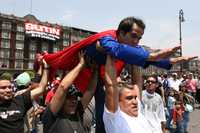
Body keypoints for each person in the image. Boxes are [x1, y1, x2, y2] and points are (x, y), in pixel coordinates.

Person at [42, 16, 197, 133]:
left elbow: (141, 56)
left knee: (105, 114)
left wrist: (172, 61)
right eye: (134, 36)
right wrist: (152, 57)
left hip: (98, 77)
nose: (137, 41)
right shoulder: (107, 38)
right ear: (121, 33)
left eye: (140, 38)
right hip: (84, 76)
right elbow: (118, 51)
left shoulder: (128, 46)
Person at [42, 52, 98, 133]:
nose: (73, 101)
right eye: (69, 98)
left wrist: (95, 69)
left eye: (75, 98)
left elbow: (90, 91)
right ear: (61, 101)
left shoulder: (78, 112)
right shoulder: (53, 115)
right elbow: (63, 87)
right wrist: (80, 65)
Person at [103, 55, 153, 133]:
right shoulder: (114, 118)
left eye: (135, 97)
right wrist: (110, 52)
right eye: (129, 98)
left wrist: (133, 53)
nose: (135, 101)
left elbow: (137, 82)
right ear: (118, 102)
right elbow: (110, 85)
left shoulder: (137, 112)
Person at [0, 60, 49, 133]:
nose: (8, 90)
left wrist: (46, 68)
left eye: (10, 87)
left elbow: (41, 88)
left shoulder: (20, 99)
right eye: (3, 88)